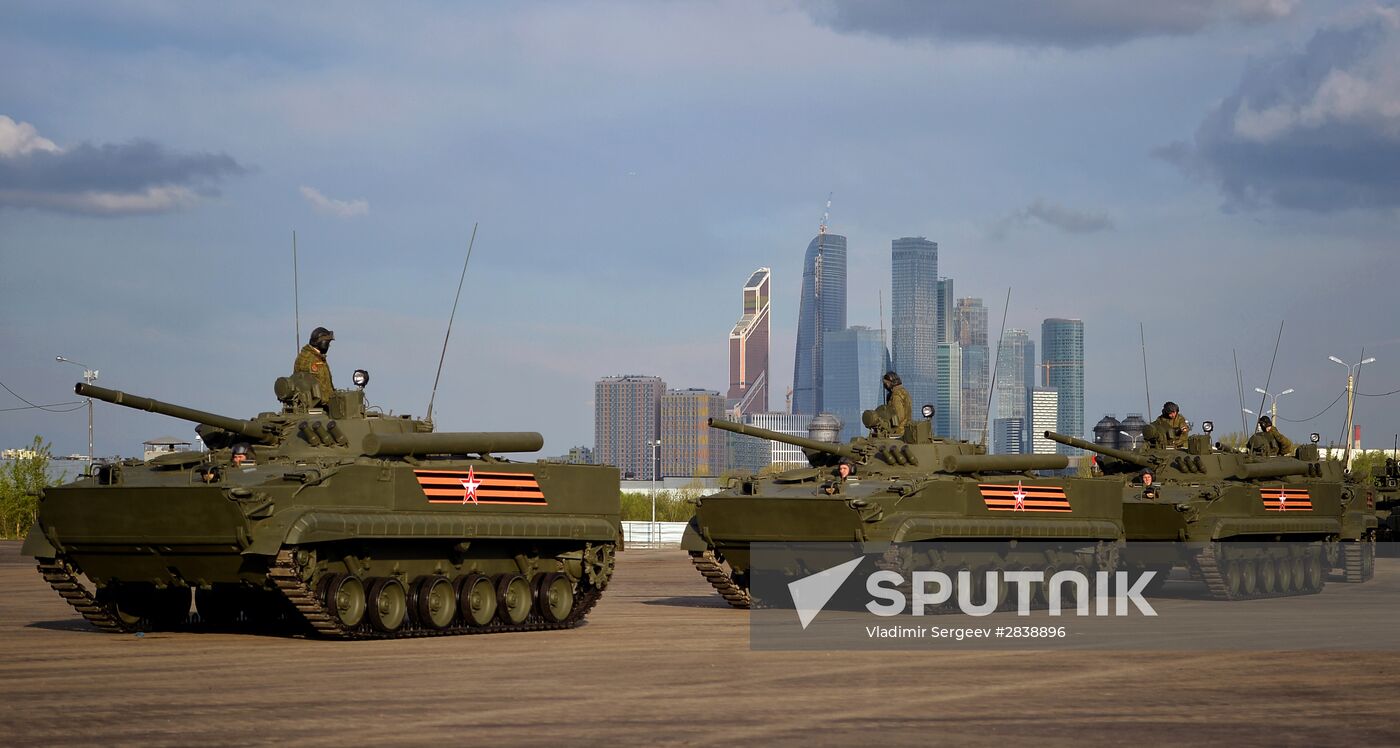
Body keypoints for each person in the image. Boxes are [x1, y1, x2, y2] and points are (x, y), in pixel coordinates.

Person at [293, 327, 335, 404]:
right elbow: (322, 384)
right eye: (328, 343)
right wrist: (330, 400)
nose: (329, 346)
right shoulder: (312, 360)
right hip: (319, 405)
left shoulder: (311, 356)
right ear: (323, 342)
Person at [883, 371, 912, 438]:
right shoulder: (904, 392)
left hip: (898, 432)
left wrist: (887, 425)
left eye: (886, 383)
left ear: (890, 383)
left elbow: (899, 416)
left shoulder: (896, 395)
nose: (886, 386)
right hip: (907, 429)